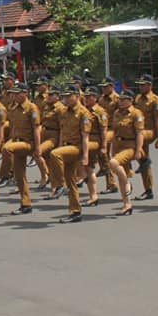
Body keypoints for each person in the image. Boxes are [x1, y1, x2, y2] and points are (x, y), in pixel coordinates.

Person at [49, 84, 92, 223]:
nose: (66, 99)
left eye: (69, 96)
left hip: (76, 147)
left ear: (77, 97)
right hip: (66, 148)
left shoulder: (84, 113)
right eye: (65, 97)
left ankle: (59, 185)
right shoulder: (64, 112)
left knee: (54, 154)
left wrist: (85, 156)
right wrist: (61, 146)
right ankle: (75, 212)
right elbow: (62, 131)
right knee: (72, 181)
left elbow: (85, 136)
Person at [2, 84, 41, 215]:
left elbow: (36, 129)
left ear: (25, 93)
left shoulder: (31, 108)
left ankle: (4, 176)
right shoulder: (14, 108)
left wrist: (37, 148)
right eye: (13, 93)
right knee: (20, 176)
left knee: (6, 148)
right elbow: (13, 127)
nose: (14, 96)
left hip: (27, 143)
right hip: (17, 142)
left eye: (17, 93)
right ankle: (25, 204)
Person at [108, 90, 145, 216]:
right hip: (118, 144)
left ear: (131, 100)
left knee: (113, 163)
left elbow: (140, 133)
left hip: (130, 145)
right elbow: (114, 131)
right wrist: (112, 147)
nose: (121, 102)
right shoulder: (117, 113)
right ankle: (127, 204)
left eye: (124, 99)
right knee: (121, 174)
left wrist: (139, 150)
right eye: (120, 99)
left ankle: (127, 183)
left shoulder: (136, 114)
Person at [133, 74, 158, 200]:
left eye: (143, 85)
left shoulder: (156, 100)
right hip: (139, 131)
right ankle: (148, 189)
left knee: (134, 142)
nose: (140, 87)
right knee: (143, 161)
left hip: (150, 132)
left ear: (150, 85)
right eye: (139, 85)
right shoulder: (138, 98)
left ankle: (144, 160)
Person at [82, 86, 109, 208]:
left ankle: (93, 196)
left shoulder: (100, 112)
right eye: (85, 97)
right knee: (87, 168)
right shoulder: (84, 110)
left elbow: (104, 130)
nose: (86, 99)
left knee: (89, 167)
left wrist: (104, 146)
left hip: (94, 140)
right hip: (85, 139)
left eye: (89, 97)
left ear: (96, 98)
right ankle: (92, 195)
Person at [37, 86, 66, 195]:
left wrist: (60, 143)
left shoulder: (60, 108)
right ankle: (52, 180)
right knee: (48, 159)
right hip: (45, 133)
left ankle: (53, 181)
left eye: (51, 95)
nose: (48, 97)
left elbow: (62, 127)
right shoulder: (47, 106)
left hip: (54, 135)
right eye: (48, 94)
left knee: (38, 152)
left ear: (58, 97)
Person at [97, 79, 120, 193]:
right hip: (102, 128)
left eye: (106, 87)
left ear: (112, 86)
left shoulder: (117, 99)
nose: (103, 89)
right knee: (100, 151)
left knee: (104, 148)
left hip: (113, 129)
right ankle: (105, 171)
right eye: (102, 87)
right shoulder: (101, 98)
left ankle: (113, 182)